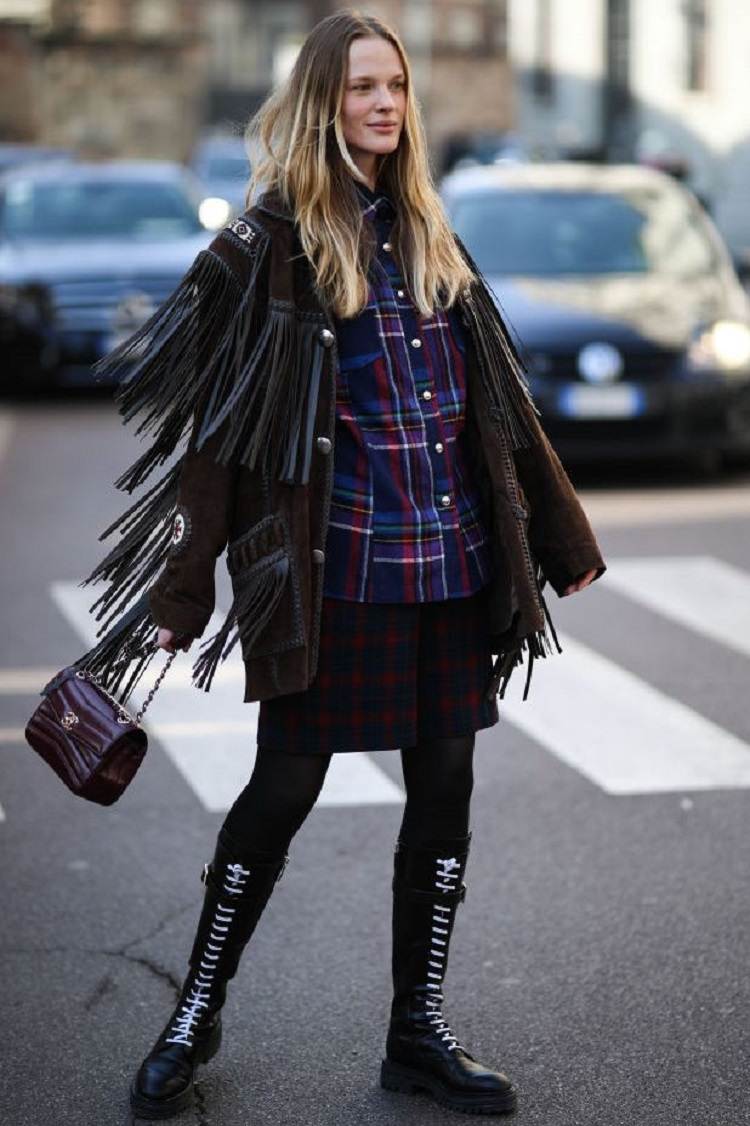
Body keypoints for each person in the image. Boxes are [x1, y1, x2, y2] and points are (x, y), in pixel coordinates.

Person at [77, 9, 605, 1119]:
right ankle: (194, 1010)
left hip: (454, 567)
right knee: (280, 792)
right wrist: (179, 592)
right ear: (322, 99)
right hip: (337, 572)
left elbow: (498, 408)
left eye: (396, 87)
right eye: (362, 85)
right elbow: (216, 440)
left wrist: (558, 541)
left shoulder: (428, 233)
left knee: (446, 789)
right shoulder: (268, 245)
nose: (383, 104)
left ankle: (417, 1028)